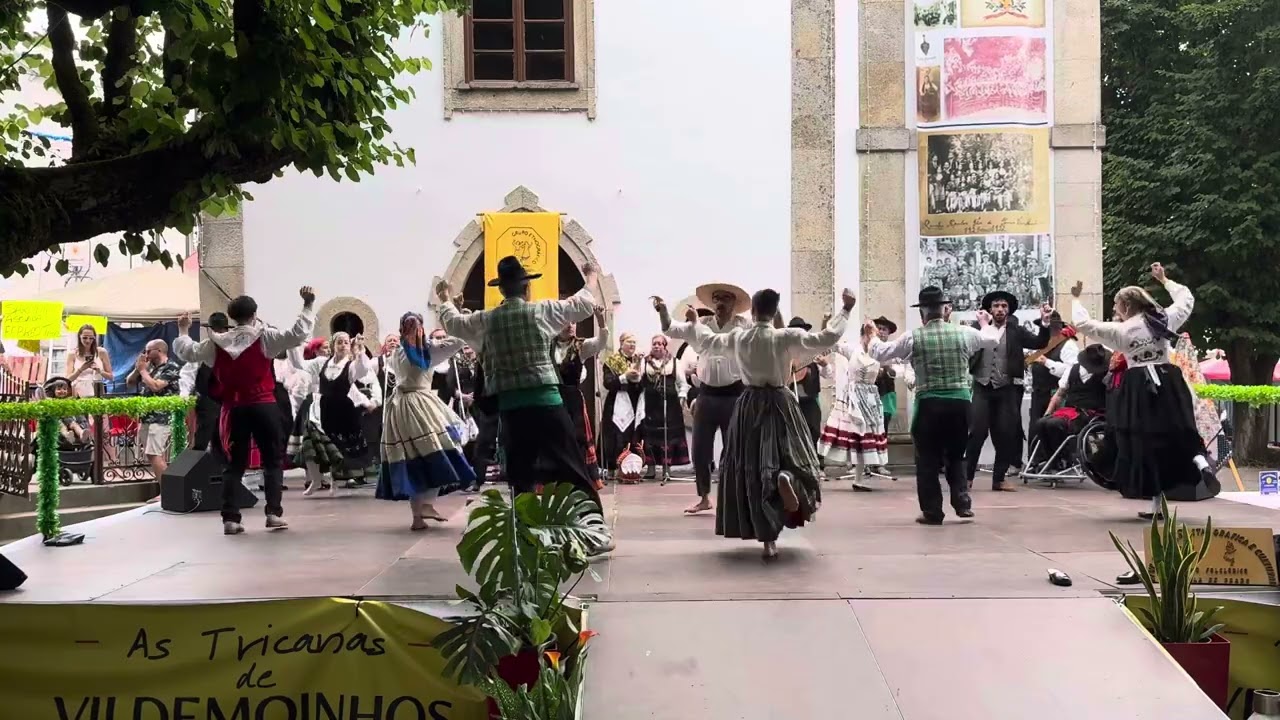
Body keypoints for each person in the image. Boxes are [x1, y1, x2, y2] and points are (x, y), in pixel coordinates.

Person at [659, 288, 854, 559]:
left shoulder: (740, 337)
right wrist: (845, 309)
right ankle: (789, 480)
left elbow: (709, 341)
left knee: (751, 466)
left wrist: (692, 324)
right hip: (780, 401)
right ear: (774, 313)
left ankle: (767, 539)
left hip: (749, 403)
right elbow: (827, 338)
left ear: (752, 312)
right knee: (797, 456)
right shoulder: (786, 336)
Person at [435, 256, 612, 553]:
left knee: (521, 475)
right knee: (573, 469)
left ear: (502, 290)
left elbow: (452, 323)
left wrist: (443, 299)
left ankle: (528, 538)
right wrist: (592, 277)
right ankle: (594, 534)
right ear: (526, 288)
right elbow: (581, 305)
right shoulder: (542, 312)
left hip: (512, 410)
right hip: (547, 403)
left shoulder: (485, 320)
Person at [1069, 265, 1219, 519]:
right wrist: (1165, 280)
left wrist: (1075, 299)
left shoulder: (1122, 331)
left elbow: (1084, 324)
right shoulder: (1164, 319)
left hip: (1139, 386)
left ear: (1127, 306)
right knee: (1180, 429)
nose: (1116, 312)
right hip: (1168, 379)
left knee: (1143, 441)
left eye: (1118, 307)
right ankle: (1199, 461)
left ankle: (1153, 501)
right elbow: (1186, 300)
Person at [173, 287, 316, 535]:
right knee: (272, 461)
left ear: (231, 317)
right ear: (254, 315)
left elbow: (187, 351)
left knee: (234, 464)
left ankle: (230, 518)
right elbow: (297, 334)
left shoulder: (216, 343)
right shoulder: (265, 337)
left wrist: (184, 330)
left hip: (234, 409)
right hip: (264, 406)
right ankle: (273, 513)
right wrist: (307, 304)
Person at [868, 287, 1001, 525]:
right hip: (960, 404)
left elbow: (880, 353)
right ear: (944, 309)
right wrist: (985, 322)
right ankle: (962, 504)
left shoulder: (913, 336)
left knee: (927, 458)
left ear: (923, 313)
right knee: (957, 454)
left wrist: (872, 334)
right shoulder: (964, 333)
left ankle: (932, 511)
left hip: (929, 404)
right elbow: (992, 340)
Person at [376, 312, 474, 530]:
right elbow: (458, 340)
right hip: (421, 404)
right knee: (437, 450)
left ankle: (417, 517)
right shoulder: (428, 350)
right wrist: (455, 316)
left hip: (400, 406)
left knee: (412, 457)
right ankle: (427, 505)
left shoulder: (397, 352)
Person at [662, 282, 753, 515]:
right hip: (707, 394)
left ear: (734, 303)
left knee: (733, 449)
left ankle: (730, 496)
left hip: (734, 393)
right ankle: (704, 497)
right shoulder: (701, 324)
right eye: (717, 299)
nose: (720, 302)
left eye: (725, 298)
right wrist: (663, 310)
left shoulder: (743, 326)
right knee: (700, 449)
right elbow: (670, 329)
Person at [964, 290, 1054, 492]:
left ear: (1008, 310)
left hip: (1007, 389)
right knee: (977, 432)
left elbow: (1039, 342)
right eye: (996, 305)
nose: (1000, 309)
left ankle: (999, 479)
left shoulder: (1016, 331)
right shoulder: (977, 328)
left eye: (1004, 306)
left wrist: (1045, 323)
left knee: (1005, 434)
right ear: (989, 309)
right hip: (982, 386)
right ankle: (967, 477)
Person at [818, 320, 892, 484]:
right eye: (867, 335)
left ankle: (859, 479)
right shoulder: (853, 349)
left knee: (867, 435)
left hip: (870, 397)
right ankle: (853, 474)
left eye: (872, 335)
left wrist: (890, 369)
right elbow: (833, 344)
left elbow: (896, 363)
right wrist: (826, 324)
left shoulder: (878, 352)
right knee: (855, 434)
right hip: (853, 398)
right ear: (862, 335)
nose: (869, 338)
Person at [1028, 343, 1110, 467]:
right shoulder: (1073, 369)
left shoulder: (1107, 374)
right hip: (1071, 412)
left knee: (1055, 424)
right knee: (1041, 423)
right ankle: (1054, 459)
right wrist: (1048, 413)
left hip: (1092, 414)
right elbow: (1059, 394)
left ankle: (1063, 458)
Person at [553, 309, 608, 476]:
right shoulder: (548, 346)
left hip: (572, 400)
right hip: (552, 398)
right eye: (566, 322)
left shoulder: (581, 346)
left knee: (576, 438)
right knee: (555, 438)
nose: (570, 326)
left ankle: (578, 475)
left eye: (573, 322)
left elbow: (600, 343)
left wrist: (601, 321)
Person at [1025, 311, 1079, 458]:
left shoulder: (1068, 345)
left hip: (1056, 394)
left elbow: (1072, 371)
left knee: (1052, 430)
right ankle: (1036, 463)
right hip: (1039, 393)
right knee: (1036, 429)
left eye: (1053, 327)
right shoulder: (1043, 345)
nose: (1051, 330)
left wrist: (1047, 362)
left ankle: (1056, 463)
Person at [126, 339, 181, 478]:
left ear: (160, 351)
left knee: (154, 453)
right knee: (153, 455)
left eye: (148, 351)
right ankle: (164, 491)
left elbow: (156, 386)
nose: (146, 353)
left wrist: (143, 371)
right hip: (146, 417)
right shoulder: (149, 367)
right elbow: (130, 382)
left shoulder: (171, 367)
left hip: (162, 417)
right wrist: (138, 368)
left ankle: (167, 493)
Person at [640, 334, 689, 479]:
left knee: (668, 438)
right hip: (651, 406)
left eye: (659, 344)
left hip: (670, 406)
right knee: (650, 437)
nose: (656, 346)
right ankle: (651, 469)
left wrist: (682, 397)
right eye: (654, 343)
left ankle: (667, 469)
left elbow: (682, 383)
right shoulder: (645, 363)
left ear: (664, 346)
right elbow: (638, 378)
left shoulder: (674, 362)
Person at [182, 312, 231, 459]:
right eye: (215, 330)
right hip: (207, 400)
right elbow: (188, 374)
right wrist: (185, 394)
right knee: (204, 434)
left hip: (227, 400)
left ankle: (222, 468)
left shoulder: (232, 349)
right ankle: (195, 467)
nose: (218, 333)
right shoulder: (203, 349)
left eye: (221, 330)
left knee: (223, 438)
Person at [601, 332, 644, 480]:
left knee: (632, 434)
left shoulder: (639, 360)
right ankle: (613, 467)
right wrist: (625, 376)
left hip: (634, 402)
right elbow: (608, 383)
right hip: (616, 402)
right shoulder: (612, 361)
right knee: (615, 435)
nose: (632, 345)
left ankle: (631, 470)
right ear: (621, 343)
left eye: (634, 342)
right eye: (629, 342)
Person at [786, 317, 825, 445]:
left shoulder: (812, 352)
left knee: (813, 430)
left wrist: (824, 365)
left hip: (810, 399)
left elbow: (827, 373)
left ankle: (813, 459)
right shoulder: (786, 352)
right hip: (791, 399)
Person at [66, 324, 112, 398]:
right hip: (78, 392)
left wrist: (99, 371)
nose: (88, 341)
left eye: (91, 338)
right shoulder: (72, 354)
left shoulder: (102, 352)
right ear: (79, 337)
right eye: (84, 338)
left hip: (97, 390)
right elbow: (68, 379)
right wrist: (81, 369)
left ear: (94, 338)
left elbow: (111, 377)